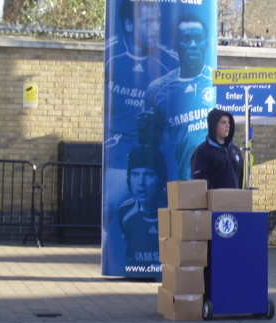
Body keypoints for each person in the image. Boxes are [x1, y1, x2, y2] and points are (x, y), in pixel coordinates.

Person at [138, 14, 215, 181]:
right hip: (177, 181)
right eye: (186, 39)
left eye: (198, 39)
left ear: (206, 43)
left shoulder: (219, 84)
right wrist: (147, 130)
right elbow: (150, 143)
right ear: (175, 45)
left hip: (213, 181)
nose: (193, 45)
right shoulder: (157, 90)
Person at [104, 0, 178, 169]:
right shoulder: (111, 56)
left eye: (158, 21)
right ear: (129, 25)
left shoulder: (170, 62)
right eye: (148, 22)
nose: (156, 29)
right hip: (115, 150)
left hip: (153, 152)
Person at [118, 146, 167, 276]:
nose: (141, 183)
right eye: (135, 174)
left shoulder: (173, 210)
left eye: (149, 174)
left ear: (160, 179)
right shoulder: (125, 211)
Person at [191, 109, 243, 189]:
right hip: (214, 200)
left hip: (235, 199)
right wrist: (216, 196)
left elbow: (240, 178)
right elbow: (200, 180)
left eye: (229, 122)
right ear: (213, 125)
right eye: (223, 123)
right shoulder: (202, 151)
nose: (228, 125)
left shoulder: (235, 150)